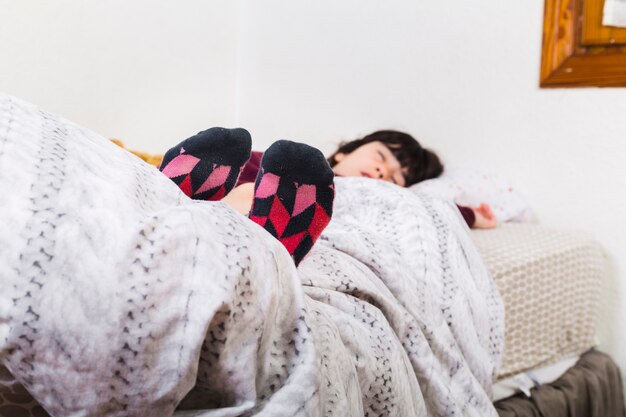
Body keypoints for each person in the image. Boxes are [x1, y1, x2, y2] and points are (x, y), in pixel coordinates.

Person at [158, 128, 496, 265]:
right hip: (237, 192)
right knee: (249, 186)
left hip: (257, 208)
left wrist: (473, 216)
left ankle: (269, 229)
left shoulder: (375, 194)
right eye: (380, 158)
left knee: (252, 196)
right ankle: (178, 195)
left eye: (395, 177)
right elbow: (243, 167)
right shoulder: (280, 163)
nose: (382, 173)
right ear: (345, 152)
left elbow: (425, 210)